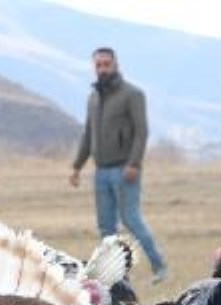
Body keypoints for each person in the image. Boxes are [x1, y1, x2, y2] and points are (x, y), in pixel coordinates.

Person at [69, 47, 169, 284]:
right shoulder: (93, 97)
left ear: (116, 65)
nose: (102, 68)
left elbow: (141, 132)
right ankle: (117, 277)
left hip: (124, 169)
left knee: (131, 220)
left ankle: (159, 267)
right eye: (98, 65)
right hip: (101, 171)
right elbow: (88, 134)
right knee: (106, 228)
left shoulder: (132, 94)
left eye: (107, 64)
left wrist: (134, 163)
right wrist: (77, 166)